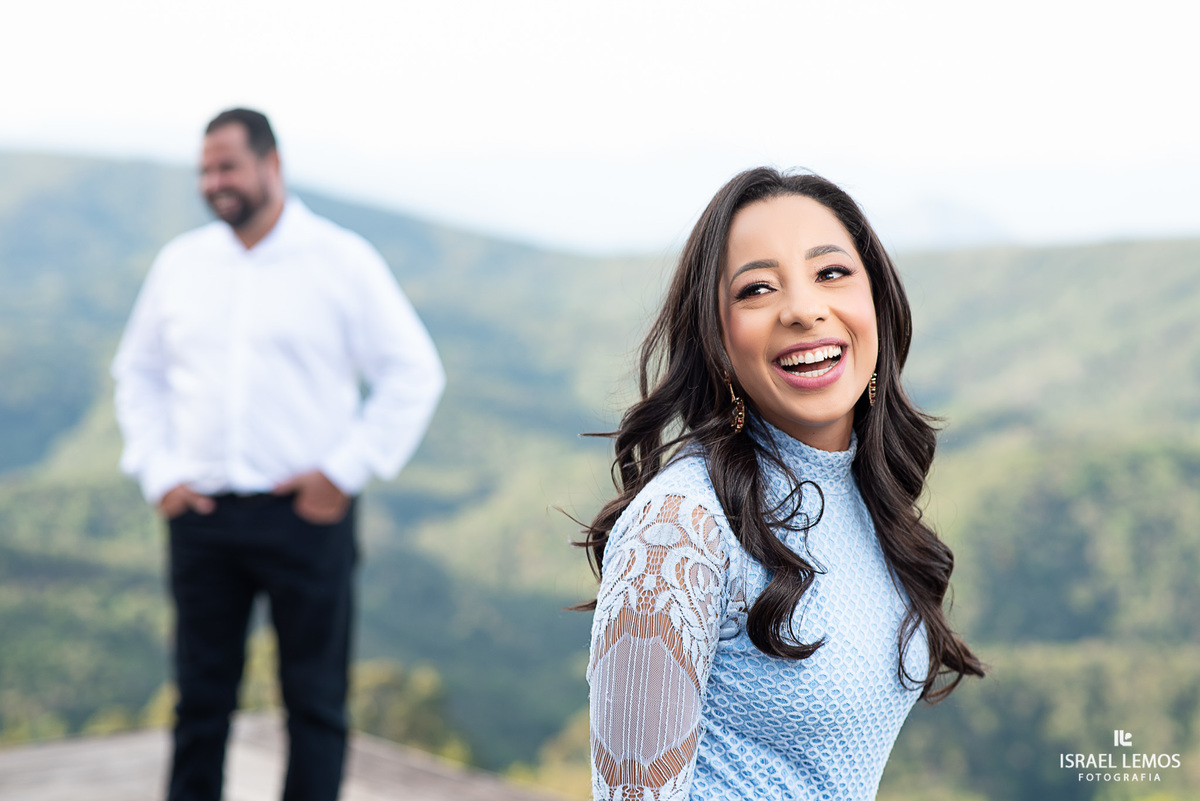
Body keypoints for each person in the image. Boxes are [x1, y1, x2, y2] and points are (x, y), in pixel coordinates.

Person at [582, 168, 984, 800]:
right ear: (717, 341)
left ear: (876, 302)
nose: (802, 309)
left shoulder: (864, 495)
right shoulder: (679, 530)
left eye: (830, 273)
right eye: (757, 289)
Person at [112, 108, 445, 801]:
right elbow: (136, 374)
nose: (215, 181)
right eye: (206, 168)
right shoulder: (181, 264)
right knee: (199, 702)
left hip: (306, 516)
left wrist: (344, 473)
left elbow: (414, 371)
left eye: (228, 165)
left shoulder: (340, 259)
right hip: (200, 516)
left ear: (273, 165)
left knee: (315, 705)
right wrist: (158, 473)